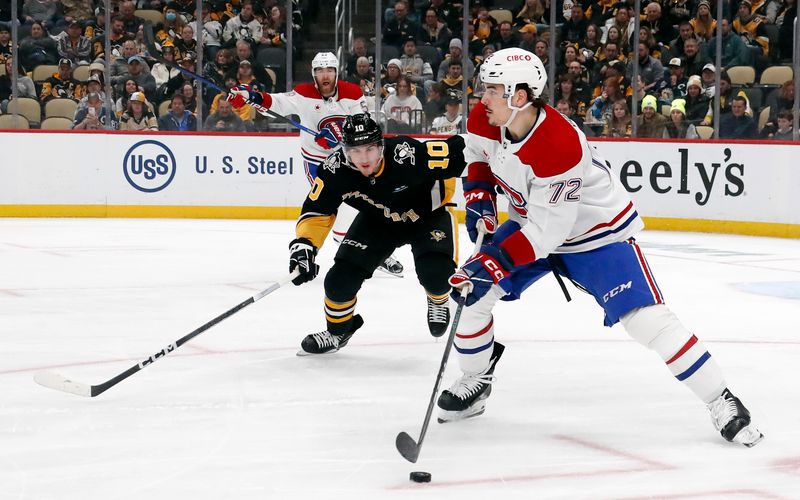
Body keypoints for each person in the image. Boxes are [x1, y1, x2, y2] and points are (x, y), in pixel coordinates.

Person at [437, 47, 763, 448]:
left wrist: (495, 259)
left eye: (490, 89)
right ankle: (476, 379)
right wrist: (480, 196)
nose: (480, 98)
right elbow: (477, 157)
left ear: (519, 96)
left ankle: (720, 398)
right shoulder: (486, 116)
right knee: (473, 294)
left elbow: (547, 234)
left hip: (592, 234)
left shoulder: (558, 145)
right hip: (531, 223)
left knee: (647, 320)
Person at [286, 114, 467, 355]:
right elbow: (317, 211)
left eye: (370, 149)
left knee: (437, 277)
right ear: (345, 150)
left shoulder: (406, 153)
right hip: (378, 221)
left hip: (427, 217)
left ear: (381, 145)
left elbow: (463, 152)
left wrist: (491, 180)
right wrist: (304, 245)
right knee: (338, 282)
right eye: (356, 151)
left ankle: (437, 299)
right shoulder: (334, 170)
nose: (364, 158)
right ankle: (339, 331)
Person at [227, 51, 404, 277]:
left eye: (329, 69)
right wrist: (249, 95)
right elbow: (277, 103)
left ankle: (365, 248)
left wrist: (340, 134)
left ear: (336, 72)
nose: (325, 74)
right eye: (320, 70)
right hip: (317, 163)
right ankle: (362, 251)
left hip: (349, 161)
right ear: (314, 73)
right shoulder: (303, 94)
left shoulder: (352, 93)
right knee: (341, 205)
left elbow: (364, 125)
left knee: (362, 205)